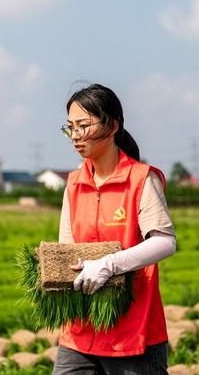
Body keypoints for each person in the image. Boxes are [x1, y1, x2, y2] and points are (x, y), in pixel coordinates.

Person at [53, 83, 176, 375]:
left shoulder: (141, 179)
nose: (75, 136)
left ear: (112, 126)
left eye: (84, 125)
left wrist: (109, 265)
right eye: (70, 127)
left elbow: (164, 242)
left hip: (134, 331)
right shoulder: (73, 183)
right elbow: (66, 246)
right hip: (80, 330)